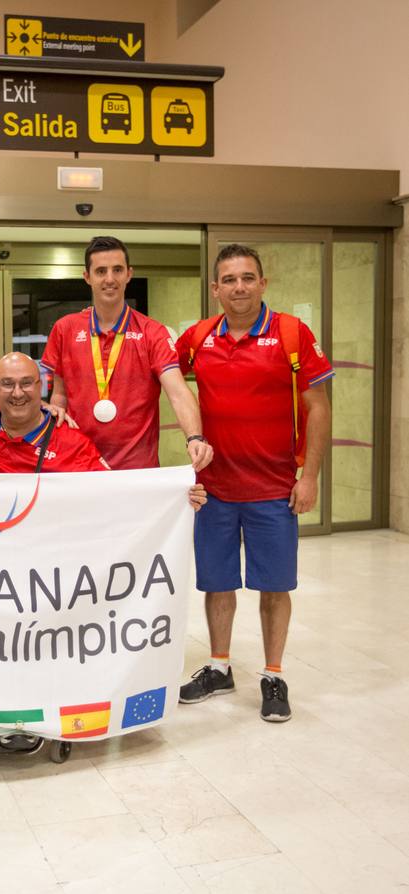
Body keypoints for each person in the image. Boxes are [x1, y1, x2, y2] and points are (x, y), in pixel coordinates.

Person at [175, 244, 334, 722]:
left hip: (274, 489)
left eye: (248, 278)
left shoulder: (291, 333)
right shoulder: (198, 337)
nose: (239, 287)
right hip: (215, 490)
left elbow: (319, 408)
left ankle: (273, 674)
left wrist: (310, 477)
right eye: (229, 279)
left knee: (273, 587)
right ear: (215, 288)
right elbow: (166, 383)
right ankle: (219, 667)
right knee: (217, 584)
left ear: (263, 283)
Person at [42, 235, 214, 475]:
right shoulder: (65, 329)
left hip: (137, 472)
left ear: (129, 274)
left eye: (117, 270)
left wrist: (195, 437)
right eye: (101, 271)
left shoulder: (152, 332)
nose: (110, 279)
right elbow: (59, 397)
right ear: (87, 277)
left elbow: (177, 392)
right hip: (78, 467)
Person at [0, 351, 207, 509]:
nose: (17, 393)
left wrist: (175, 497)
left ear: (41, 387)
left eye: (27, 383)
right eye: (7, 384)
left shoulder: (72, 443)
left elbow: (118, 496)